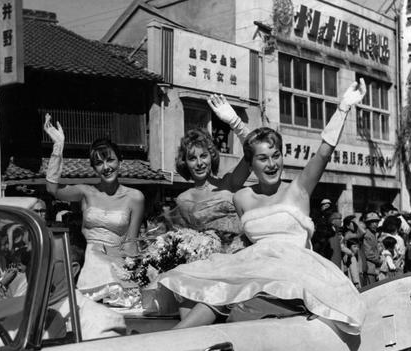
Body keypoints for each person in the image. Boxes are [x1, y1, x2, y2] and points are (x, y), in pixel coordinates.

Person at [156, 80, 368, 334]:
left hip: (293, 271)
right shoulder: (242, 197)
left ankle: (172, 340)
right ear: (251, 163)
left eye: (276, 156)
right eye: (263, 158)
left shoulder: (298, 188)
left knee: (229, 304)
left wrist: (343, 108)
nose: (271, 164)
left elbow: (323, 152)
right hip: (254, 267)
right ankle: (174, 343)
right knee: (194, 286)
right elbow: (243, 242)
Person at [43, 116, 145, 301]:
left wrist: (134, 275)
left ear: (119, 161)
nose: (106, 167)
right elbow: (52, 189)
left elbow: (131, 242)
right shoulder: (85, 192)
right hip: (86, 260)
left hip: (116, 261)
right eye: (99, 163)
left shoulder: (135, 197)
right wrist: (58, 145)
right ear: (94, 168)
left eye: (110, 160)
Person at [171, 95, 253, 237]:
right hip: (206, 255)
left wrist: (236, 123)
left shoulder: (229, 182)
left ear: (211, 157)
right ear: (184, 162)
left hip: (241, 252)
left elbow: (253, 152)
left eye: (203, 156)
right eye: (192, 158)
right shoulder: (183, 198)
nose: (199, 163)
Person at [361, 211, 383, 286]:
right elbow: (368, 253)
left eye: (376, 222)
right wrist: (379, 261)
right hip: (370, 268)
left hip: (375, 268)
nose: (375, 224)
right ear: (368, 223)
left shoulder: (374, 234)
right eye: (372, 222)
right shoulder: (367, 235)